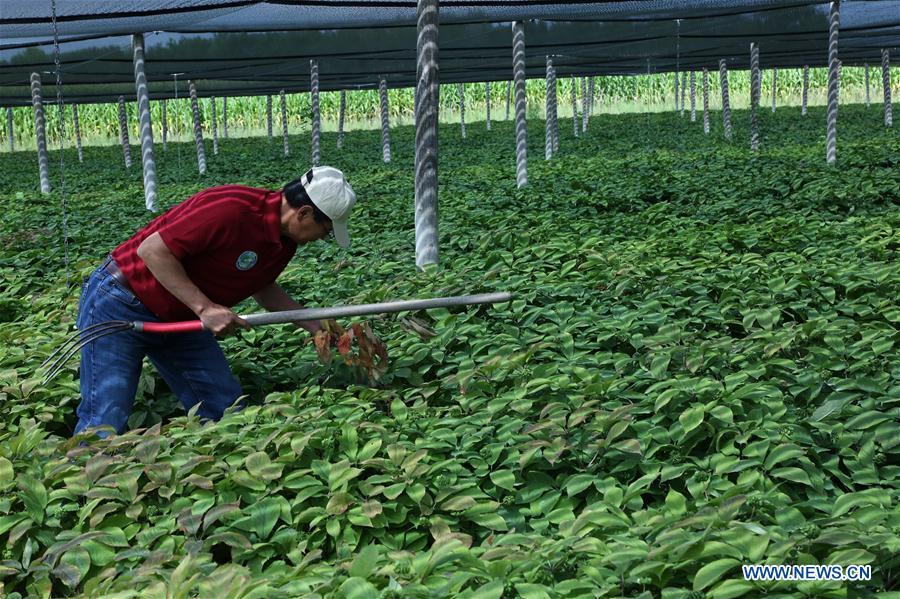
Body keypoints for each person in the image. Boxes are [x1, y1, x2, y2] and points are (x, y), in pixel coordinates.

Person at [73, 166, 356, 438]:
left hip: (181, 316)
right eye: (326, 231)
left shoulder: (285, 242)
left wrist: (320, 327)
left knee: (226, 411)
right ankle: (86, 480)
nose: (323, 238)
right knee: (104, 422)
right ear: (304, 213)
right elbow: (153, 251)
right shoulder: (232, 209)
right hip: (122, 303)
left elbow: (263, 288)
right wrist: (205, 308)